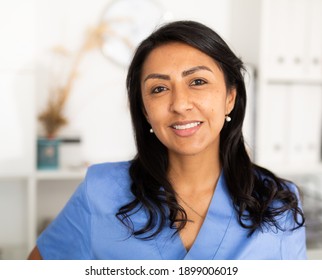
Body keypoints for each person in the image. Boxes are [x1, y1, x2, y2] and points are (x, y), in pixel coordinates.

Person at [28, 20, 306, 260]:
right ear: (145, 111)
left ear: (230, 98)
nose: (180, 104)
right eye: (159, 88)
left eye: (197, 81)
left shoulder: (279, 203)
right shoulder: (99, 191)